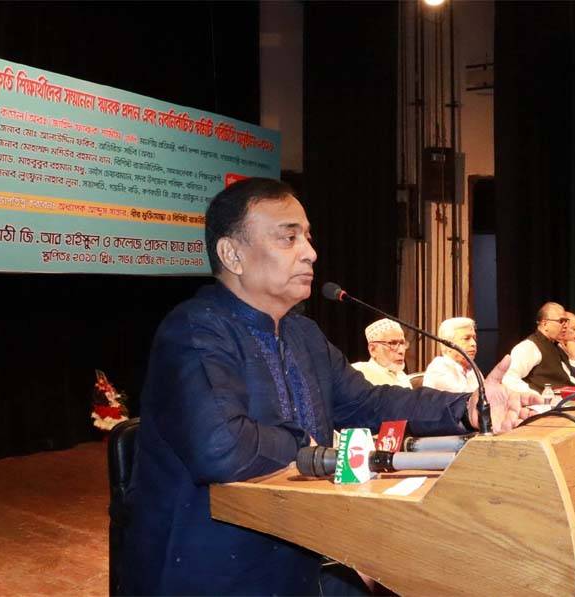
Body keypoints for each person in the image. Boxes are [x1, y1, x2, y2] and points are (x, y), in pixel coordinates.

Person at [122, 177, 537, 595]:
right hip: (209, 572)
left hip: (300, 553)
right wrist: (309, 446)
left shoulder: (303, 334)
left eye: (308, 237)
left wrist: (467, 407)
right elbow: (221, 448)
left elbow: (372, 402)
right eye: (289, 238)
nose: (310, 252)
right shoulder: (194, 330)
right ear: (232, 254)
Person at [502, 302, 575, 393]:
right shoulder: (529, 346)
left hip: (572, 396)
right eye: (561, 321)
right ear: (545, 324)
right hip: (551, 401)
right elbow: (509, 379)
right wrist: (536, 396)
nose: (565, 326)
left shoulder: (557, 346)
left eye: (566, 321)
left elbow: (569, 379)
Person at [422, 317, 480, 393]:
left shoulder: (471, 369)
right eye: (466, 338)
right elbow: (466, 398)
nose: (473, 343)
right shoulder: (439, 368)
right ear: (447, 345)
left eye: (474, 338)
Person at [351, 318, 411, 389]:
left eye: (402, 343)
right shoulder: (357, 373)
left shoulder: (402, 376)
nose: (401, 351)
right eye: (392, 343)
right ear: (373, 350)